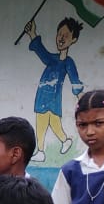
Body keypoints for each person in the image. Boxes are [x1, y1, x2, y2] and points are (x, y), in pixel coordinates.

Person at [22, 17, 83, 163]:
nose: (61, 38)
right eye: (59, 34)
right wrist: (32, 34)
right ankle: (45, 149)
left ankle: (60, 142)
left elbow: (75, 80)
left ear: (73, 40)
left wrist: (81, 96)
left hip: (54, 98)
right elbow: (41, 52)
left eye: (66, 35)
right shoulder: (52, 59)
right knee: (43, 123)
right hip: (42, 95)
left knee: (53, 123)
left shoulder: (68, 62)